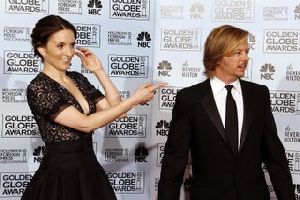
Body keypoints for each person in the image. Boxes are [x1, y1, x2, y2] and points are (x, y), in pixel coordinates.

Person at [21, 15, 166, 200]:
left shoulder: (77, 79)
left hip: (89, 169)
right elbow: (85, 124)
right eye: (60, 45)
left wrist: (99, 71)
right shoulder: (39, 87)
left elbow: (116, 110)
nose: (69, 52)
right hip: (60, 176)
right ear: (42, 48)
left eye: (72, 45)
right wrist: (134, 100)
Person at [158, 25, 294, 200]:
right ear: (218, 56)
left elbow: (275, 157)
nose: (245, 58)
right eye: (238, 53)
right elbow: (173, 163)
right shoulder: (190, 98)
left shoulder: (258, 95)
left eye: (246, 52)